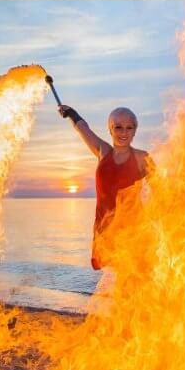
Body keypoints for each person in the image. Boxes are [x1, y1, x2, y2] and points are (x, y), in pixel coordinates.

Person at [58, 103, 150, 270]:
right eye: (118, 127)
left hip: (133, 229)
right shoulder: (103, 152)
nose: (124, 132)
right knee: (116, 276)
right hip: (105, 227)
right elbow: (83, 128)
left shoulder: (142, 158)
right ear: (110, 129)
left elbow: (163, 190)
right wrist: (71, 113)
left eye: (129, 128)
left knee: (131, 277)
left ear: (135, 130)